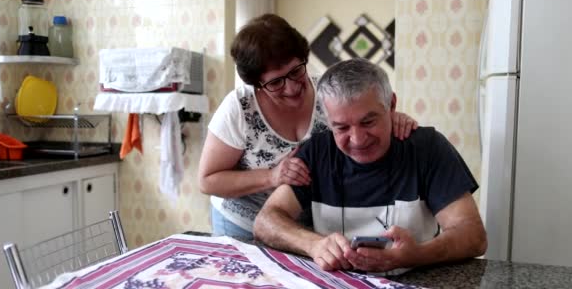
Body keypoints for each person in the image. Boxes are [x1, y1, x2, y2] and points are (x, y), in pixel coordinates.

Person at [253, 58, 487, 275]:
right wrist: (313, 244)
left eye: (368, 121)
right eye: (341, 128)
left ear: (392, 105)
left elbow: (473, 235)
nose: (357, 139)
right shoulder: (316, 153)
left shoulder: (428, 148)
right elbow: (266, 221)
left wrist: (416, 255)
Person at [198, 14, 418, 240]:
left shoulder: (328, 93)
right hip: (241, 223)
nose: (292, 88)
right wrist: (271, 177)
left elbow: (364, 112)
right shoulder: (239, 108)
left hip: (304, 226)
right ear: (258, 84)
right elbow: (207, 180)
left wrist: (392, 117)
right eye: (276, 82)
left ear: (304, 58)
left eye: (296, 71)